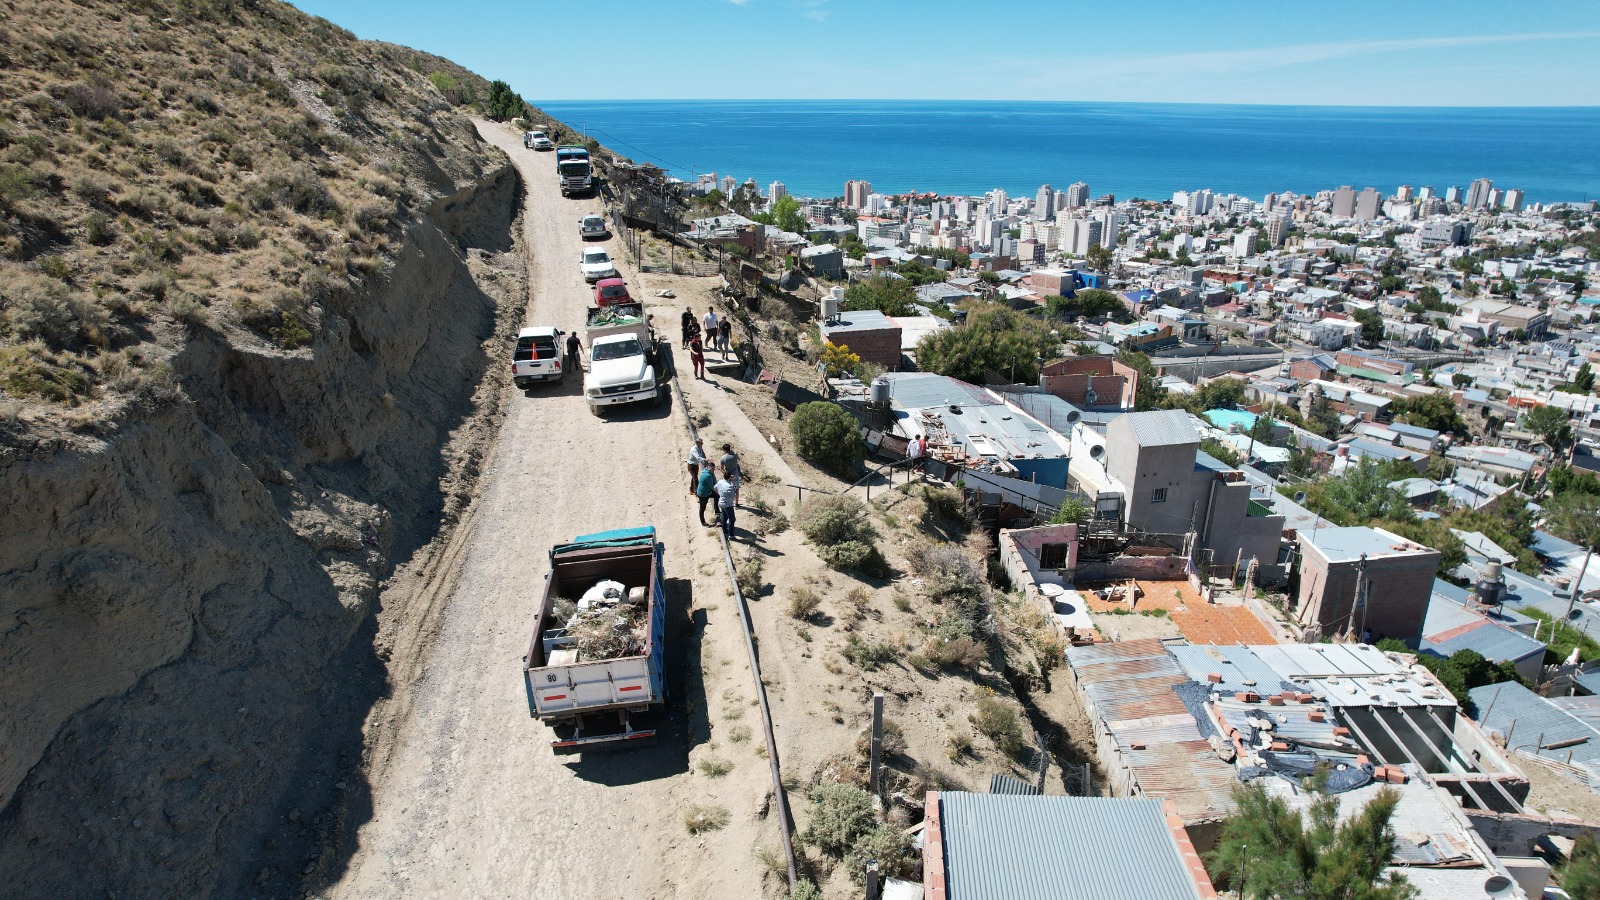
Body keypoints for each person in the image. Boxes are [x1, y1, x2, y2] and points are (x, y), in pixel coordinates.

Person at [714, 469, 737, 540]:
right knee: (732, 519)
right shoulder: (729, 486)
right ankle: (731, 535)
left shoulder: (720, 482)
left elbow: (715, 487)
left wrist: (720, 493)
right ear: (730, 477)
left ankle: (725, 532)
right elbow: (733, 497)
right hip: (728, 505)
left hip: (721, 502)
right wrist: (734, 490)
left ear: (723, 476)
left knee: (724, 518)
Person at [696, 459, 718, 526]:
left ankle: (716, 509)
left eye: (714, 469)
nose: (713, 470)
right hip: (703, 494)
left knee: (716, 496)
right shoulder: (708, 476)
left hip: (707, 491)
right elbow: (712, 486)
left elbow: (714, 479)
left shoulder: (708, 472)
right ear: (708, 467)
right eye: (712, 469)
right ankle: (703, 522)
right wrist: (717, 490)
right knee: (702, 508)